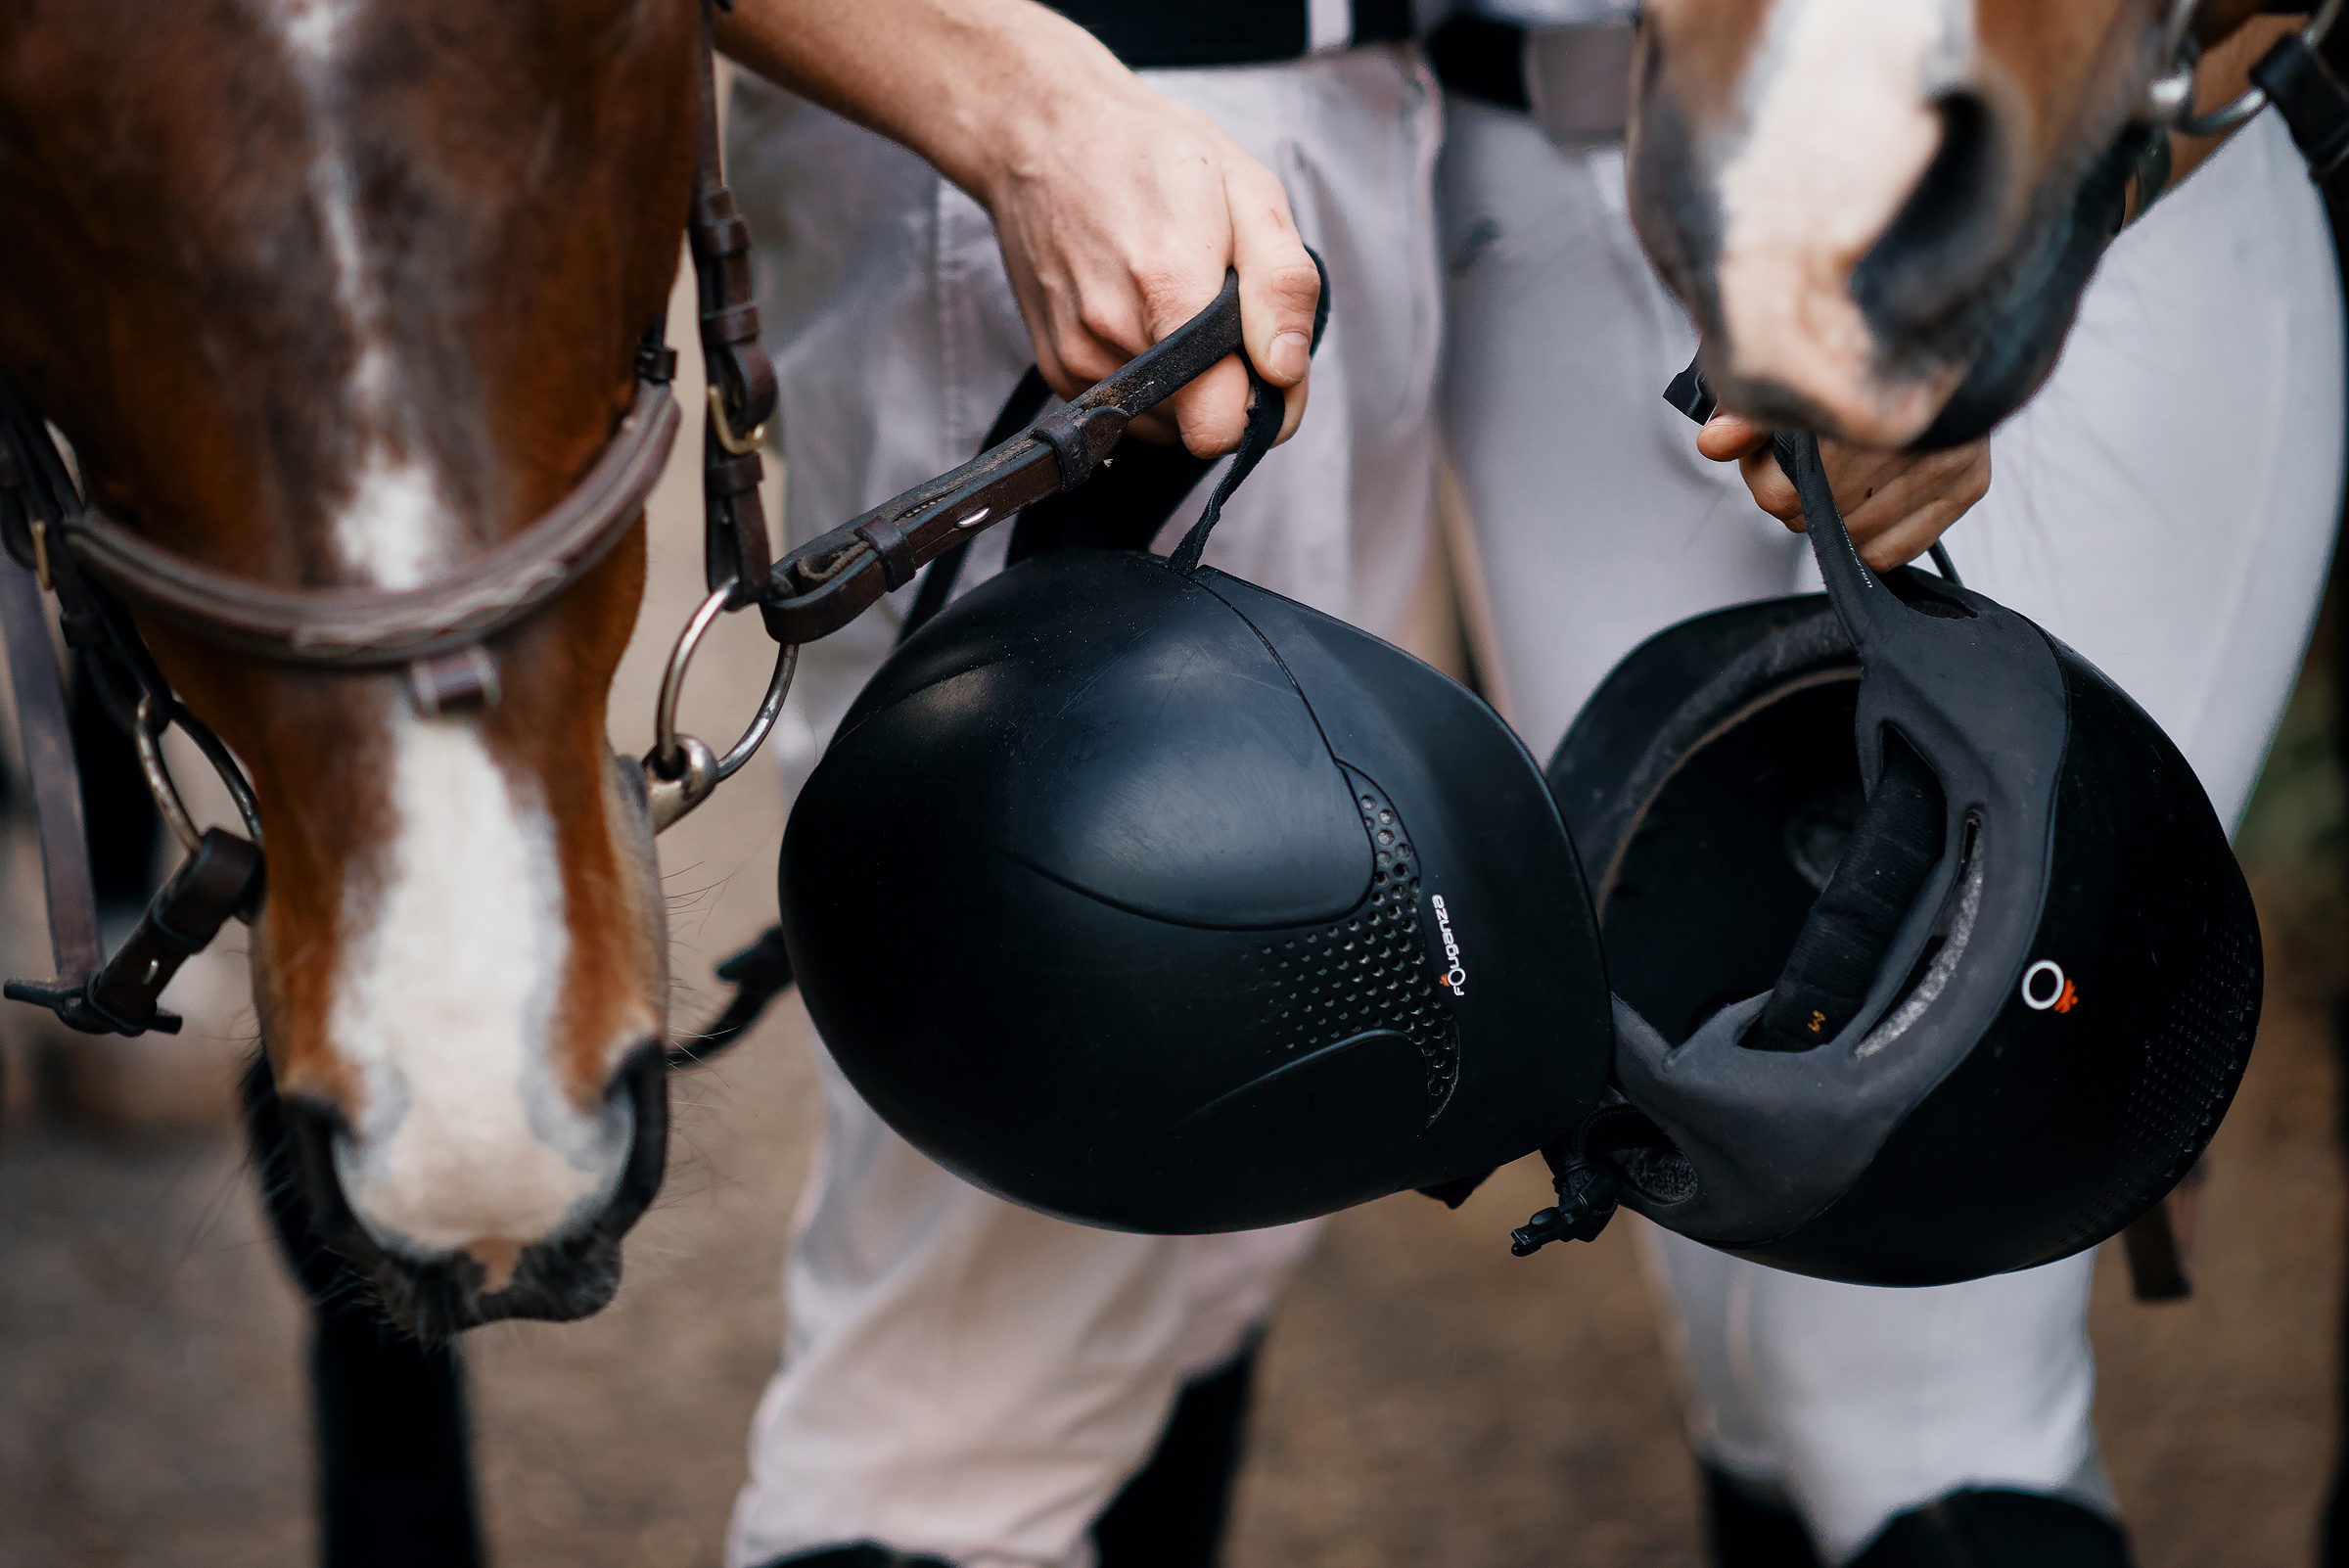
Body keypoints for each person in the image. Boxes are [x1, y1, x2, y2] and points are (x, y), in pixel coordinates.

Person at [1428, 4, 2343, 1563]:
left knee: (1904, 1362)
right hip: (1550, 210)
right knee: (1708, 1199)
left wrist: (2019, 261)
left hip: (2065, 203)